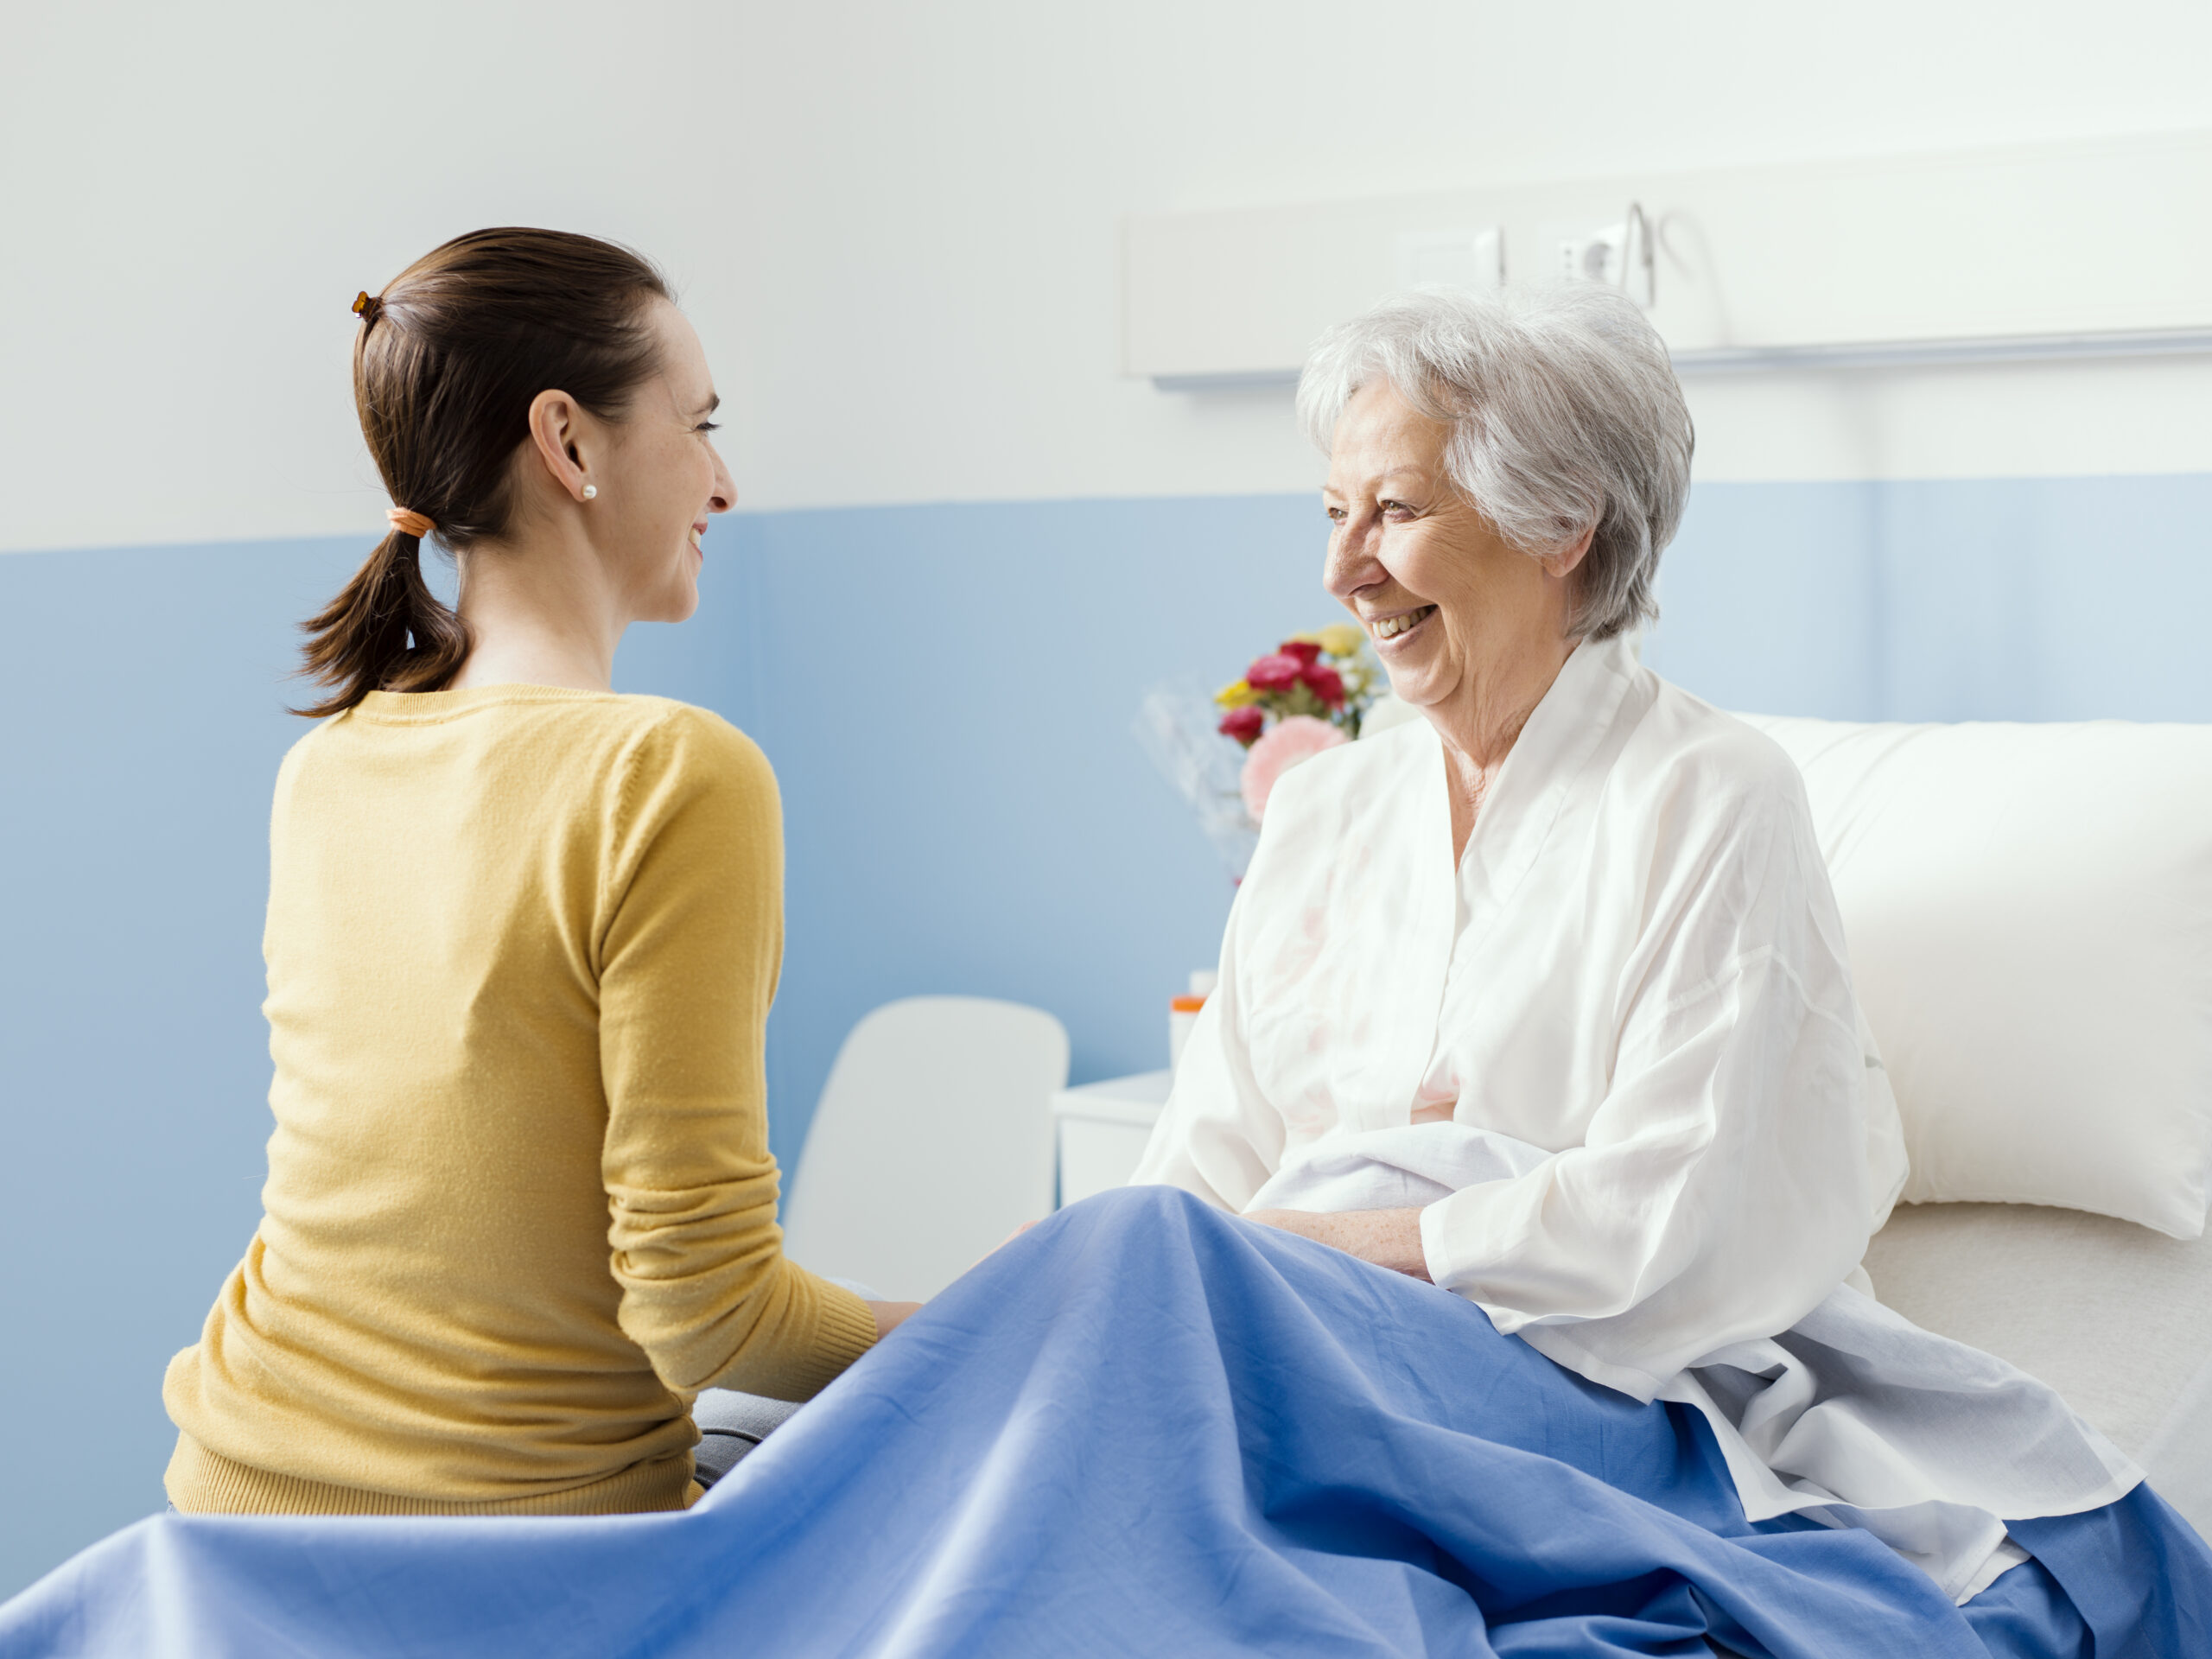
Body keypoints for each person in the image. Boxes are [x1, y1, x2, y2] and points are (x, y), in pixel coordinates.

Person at [1134, 284, 2203, 1638]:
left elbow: (1671, 1218)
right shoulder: (1323, 813)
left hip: (1582, 1386)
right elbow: (1195, 1175)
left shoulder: (1709, 799)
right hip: (1295, 1350)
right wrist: (1158, 1290)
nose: (1345, 571)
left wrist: (1318, 1249)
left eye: (1393, 512)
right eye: (1333, 511)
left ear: (1559, 527)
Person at [161, 227, 918, 1517]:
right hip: (518, 1548)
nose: (724, 485)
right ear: (567, 441)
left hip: (230, 1506)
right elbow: (714, 1316)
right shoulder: (670, 772)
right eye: (701, 426)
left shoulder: (330, 762)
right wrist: (1009, 1309)